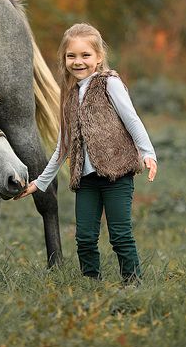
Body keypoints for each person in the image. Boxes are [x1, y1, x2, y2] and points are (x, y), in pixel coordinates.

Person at [15, 23, 157, 284]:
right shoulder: (69, 95)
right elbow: (63, 146)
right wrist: (41, 182)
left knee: (120, 234)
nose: (78, 62)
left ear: (99, 57)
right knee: (85, 237)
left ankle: (133, 282)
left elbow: (132, 120)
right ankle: (91, 283)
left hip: (117, 174)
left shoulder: (109, 84)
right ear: (64, 59)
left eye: (85, 55)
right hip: (86, 180)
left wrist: (148, 153)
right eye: (71, 56)